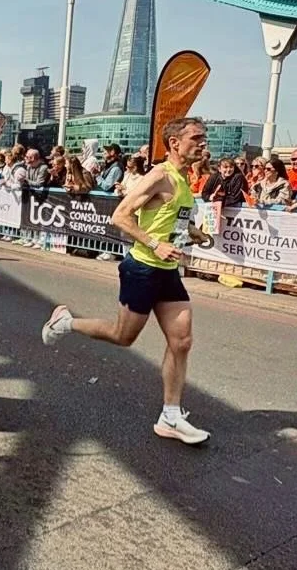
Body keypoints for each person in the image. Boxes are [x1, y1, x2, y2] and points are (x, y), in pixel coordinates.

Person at [41, 117, 213, 445]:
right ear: (174, 143)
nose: (202, 143)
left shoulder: (183, 178)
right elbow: (120, 216)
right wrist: (155, 244)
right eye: (196, 138)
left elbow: (170, 220)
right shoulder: (160, 175)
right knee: (123, 336)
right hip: (142, 268)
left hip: (167, 271)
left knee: (181, 341)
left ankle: (171, 417)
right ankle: (66, 322)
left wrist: (193, 232)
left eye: (204, 137)